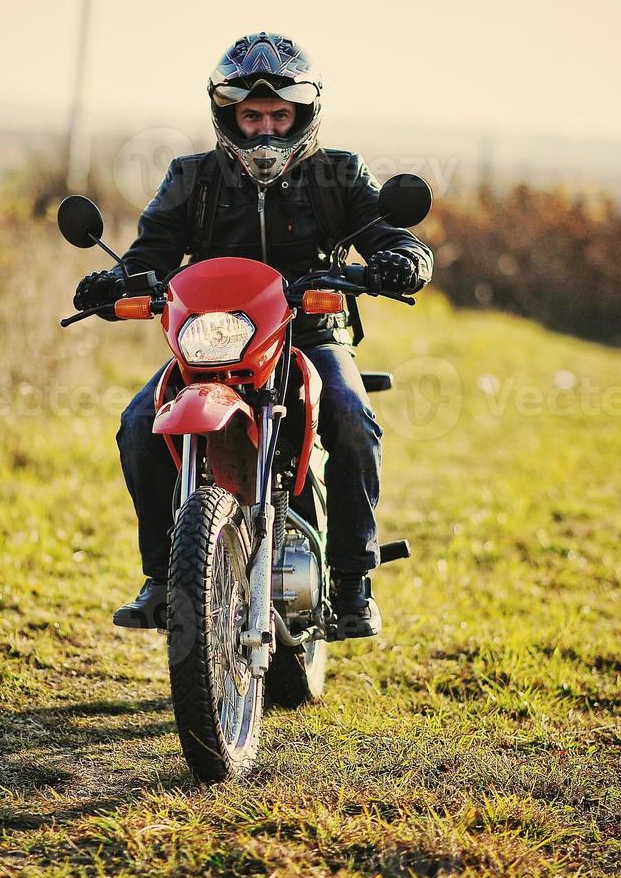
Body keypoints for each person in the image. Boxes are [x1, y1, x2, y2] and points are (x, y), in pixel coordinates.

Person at [72, 32, 433, 639]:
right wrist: (112, 282)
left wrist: (403, 259)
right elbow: (151, 253)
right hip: (213, 342)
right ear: (228, 116)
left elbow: (390, 234)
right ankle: (164, 577)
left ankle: (352, 582)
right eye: (251, 115)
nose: (265, 129)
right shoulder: (191, 178)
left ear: (302, 114)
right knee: (138, 422)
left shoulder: (339, 173)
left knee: (349, 416)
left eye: (279, 114)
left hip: (312, 331)